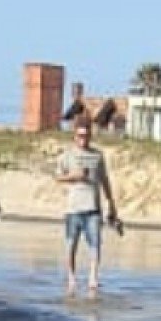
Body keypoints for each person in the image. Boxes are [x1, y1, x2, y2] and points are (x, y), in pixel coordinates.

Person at [55, 119, 121, 294]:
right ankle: (71, 277)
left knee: (96, 244)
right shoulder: (66, 156)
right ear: (75, 136)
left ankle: (93, 277)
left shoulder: (97, 156)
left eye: (86, 135)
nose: (83, 139)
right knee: (71, 245)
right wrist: (74, 176)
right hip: (73, 208)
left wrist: (112, 205)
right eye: (80, 136)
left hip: (93, 208)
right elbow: (58, 177)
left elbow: (105, 180)